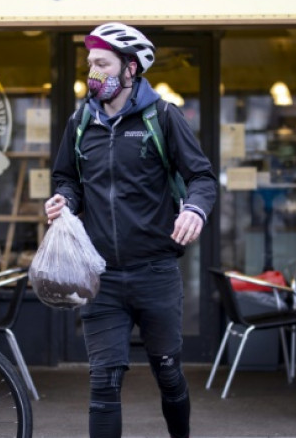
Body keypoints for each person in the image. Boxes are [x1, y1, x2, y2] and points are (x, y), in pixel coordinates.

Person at [44, 22, 217, 438]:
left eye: (103, 63)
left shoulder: (162, 116)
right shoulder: (81, 121)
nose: (93, 72)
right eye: (90, 64)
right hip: (101, 276)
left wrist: (194, 209)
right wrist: (64, 200)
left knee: (168, 371)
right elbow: (67, 178)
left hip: (156, 272)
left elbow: (203, 178)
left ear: (131, 69)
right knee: (103, 382)